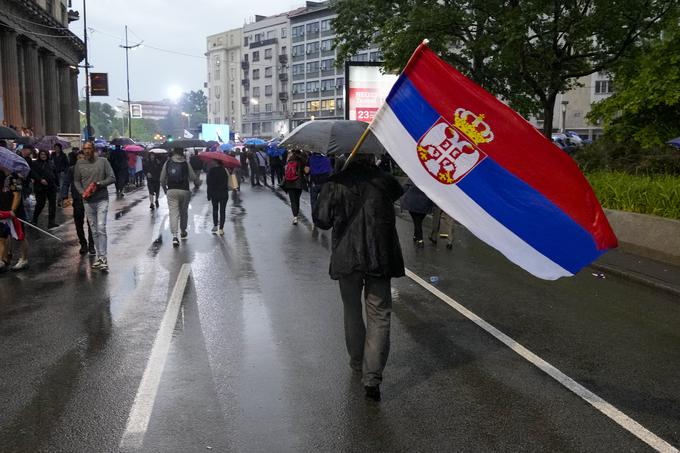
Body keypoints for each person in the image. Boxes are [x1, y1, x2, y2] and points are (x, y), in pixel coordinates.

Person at [313, 153, 404, 402]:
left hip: (347, 258)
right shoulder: (385, 181)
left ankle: (356, 361)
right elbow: (397, 195)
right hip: (381, 256)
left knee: (352, 310)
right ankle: (372, 377)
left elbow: (321, 221)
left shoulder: (335, 183)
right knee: (379, 314)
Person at [74, 141, 116, 271]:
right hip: (88, 201)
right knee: (93, 229)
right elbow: (76, 180)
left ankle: (103, 257)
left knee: (101, 226)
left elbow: (112, 177)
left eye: (89, 148)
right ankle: (99, 256)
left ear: (94, 149)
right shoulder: (79, 164)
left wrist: (99, 184)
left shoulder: (103, 161)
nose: (87, 151)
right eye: (85, 148)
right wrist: (82, 192)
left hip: (101, 199)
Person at [160, 148, 200, 247]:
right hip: (184, 190)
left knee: (173, 213)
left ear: (173, 153)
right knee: (183, 212)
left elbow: (162, 179)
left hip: (171, 190)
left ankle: (174, 236)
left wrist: (165, 189)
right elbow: (192, 177)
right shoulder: (186, 163)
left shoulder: (168, 163)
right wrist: (196, 181)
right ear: (182, 153)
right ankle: (183, 230)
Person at [0, 170, 29, 271]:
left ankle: (24, 259)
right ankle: (2, 260)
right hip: (2, 211)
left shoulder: (14, 177)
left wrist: (12, 210)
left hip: (15, 212)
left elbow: (17, 195)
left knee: (20, 236)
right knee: (2, 237)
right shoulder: (1, 175)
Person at [67, 151, 95, 255]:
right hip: (77, 201)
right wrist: (63, 196)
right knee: (78, 224)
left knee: (91, 224)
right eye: (79, 157)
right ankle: (83, 244)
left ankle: (92, 245)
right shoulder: (72, 170)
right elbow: (66, 183)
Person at [400, 180, 433, 247]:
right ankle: (415, 235)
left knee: (417, 222)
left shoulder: (413, 177)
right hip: (425, 204)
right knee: (418, 221)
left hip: (412, 204)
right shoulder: (429, 179)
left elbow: (403, 189)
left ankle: (420, 240)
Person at [31, 149, 59, 229]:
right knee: (40, 204)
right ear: (39, 155)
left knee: (52, 205)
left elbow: (55, 173)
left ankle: (51, 222)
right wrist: (40, 179)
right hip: (40, 187)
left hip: (51, 187)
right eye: (42, 154)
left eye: (45, 154)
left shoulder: (51, 163)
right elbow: (32, 173)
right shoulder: (35, 163)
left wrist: (57, 184)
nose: (43, 156)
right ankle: (34, 219)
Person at [305, 151, 332, 224]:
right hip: (325, 183)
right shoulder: (327, 159)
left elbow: (306, 171)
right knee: (324, 200)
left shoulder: (310, 159)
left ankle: (315, 218)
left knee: (313, 201)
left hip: (314, 182)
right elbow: (330, 171)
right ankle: (324, 217)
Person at [281, 150, 307, 225]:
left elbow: (285, 170)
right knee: (297, 199)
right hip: (299, 183)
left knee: (293, 201)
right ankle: (297, 214)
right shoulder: (302, 160)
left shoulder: (289, 159)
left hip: (289, 183)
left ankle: (295, 217)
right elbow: (305, 171)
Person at [206, 161, 231, 235]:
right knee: (222, 211)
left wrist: (208, 194)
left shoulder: (211, 171)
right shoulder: (225, 170)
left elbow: (209, 183)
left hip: (214, 193)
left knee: (215, 209)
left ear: (215, 163)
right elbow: (229, 180)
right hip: (223, 193)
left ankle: (215, 225)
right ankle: (221, 228)